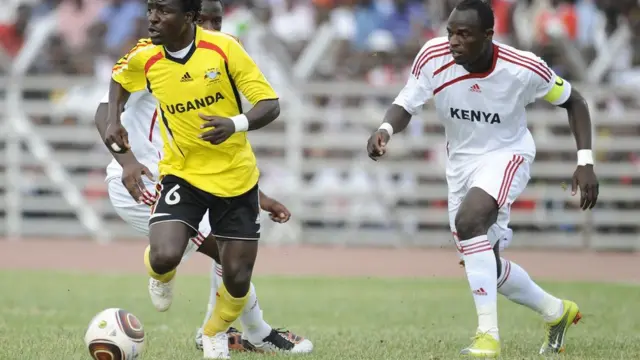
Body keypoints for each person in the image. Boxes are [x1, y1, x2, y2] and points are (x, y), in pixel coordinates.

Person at [366, 0, 598, 358]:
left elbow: (575, 101)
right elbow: (407, 102)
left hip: (508, 155)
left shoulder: (523, 68)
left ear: (488, 35)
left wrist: (585, 161)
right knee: (484, 260)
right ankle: (556, 311)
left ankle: (487, 337)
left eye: (464, 34)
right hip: (460, 164)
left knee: (470, 220)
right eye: (450, 33)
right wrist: (384, 129)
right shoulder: (432, 56)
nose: (454, 41)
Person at [96, 0, 312, 355]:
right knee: (217, 252)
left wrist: (260, 197)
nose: (212, 27)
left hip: (194, 176)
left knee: (230, 256)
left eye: (218, 20)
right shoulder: (152, 56)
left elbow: (223, 153)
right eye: (208, 20)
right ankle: (250, 330)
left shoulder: (219, 55)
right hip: (144, 180)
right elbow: (106, 110)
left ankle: (224, 330)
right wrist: (126, 161)